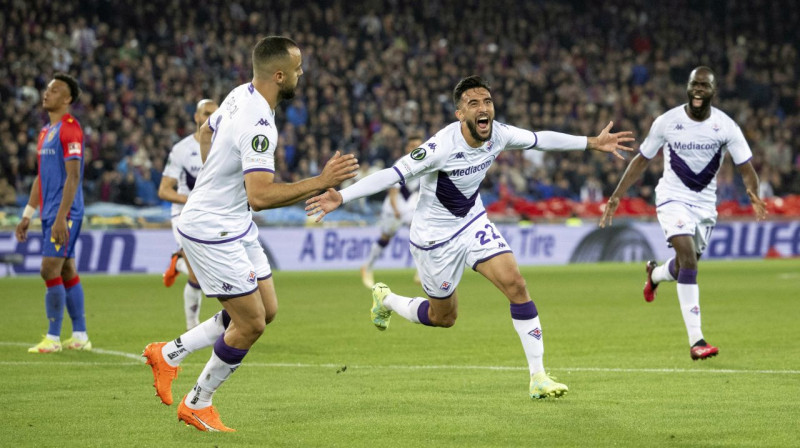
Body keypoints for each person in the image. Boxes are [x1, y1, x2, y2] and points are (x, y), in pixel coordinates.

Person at [306, 75, 633, 399]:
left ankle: (538, 376)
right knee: (444, 318)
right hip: (434, 239)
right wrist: (343, 197)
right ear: (459, 113)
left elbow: (538, 138)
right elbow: (393, 173)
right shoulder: (439, 147)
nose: (483, 108)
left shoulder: (500, 134)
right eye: (473, 103)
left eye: (487, 101)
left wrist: (591, 142)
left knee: (516, 285)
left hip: (472, 222)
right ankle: (387, 299)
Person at [142, 36, 358, 432]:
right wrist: (321, 181)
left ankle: (168, 353)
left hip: (234, 222)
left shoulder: (239, 93)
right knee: (251, 324)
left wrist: (212, 178)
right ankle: (198, 402)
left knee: (266, 311)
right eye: (297, 69)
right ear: (279, 75)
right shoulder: (259, 122)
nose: (302, 74)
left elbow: (206, 133)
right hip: (212, 229)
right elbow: (259, 196)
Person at [599, 66, 767, 361]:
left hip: (704, 206)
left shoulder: (725, 126)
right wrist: (616, 196)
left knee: (683, 268)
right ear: (687, 88)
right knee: (689, 260)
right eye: (694, 84)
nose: (698, 90)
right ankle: (696, 341)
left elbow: (746, 167)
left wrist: (753, 191)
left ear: (714, 90)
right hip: (671, 199)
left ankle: (656, 274)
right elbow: (641, 160)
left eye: (704, 85)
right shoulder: (667, 121)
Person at [15, 73, 91, 353]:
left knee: (48, 269)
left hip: (65, 212)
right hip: (50, 212)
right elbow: (40, 177)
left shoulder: (71, 129)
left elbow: (74, 177)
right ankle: (80, 336)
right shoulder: (46, 131)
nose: (47, 94)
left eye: (55, 90)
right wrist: (27, 214)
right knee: (67, 267)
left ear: (67, 98)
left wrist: (62, 216)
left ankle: (53, 338)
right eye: (47, 89)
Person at [158, 98, 219, 329]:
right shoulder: (182, 150)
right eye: (206, 114)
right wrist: (194, 199)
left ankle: (178, 262)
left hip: (213, 217)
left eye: (215, 114)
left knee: (203, 275)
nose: (210, 119)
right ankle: (192, 326)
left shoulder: (226, 146)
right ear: (196, 117)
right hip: (184, 215)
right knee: (197, 273)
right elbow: (164, 190)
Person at [360, 132, 425, 288]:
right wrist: (396, 209)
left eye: (419, 145)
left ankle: (422, 272)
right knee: (385, 238)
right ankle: (367, 267)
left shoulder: (425, 164)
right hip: (393, 208)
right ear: (407, 148)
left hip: (409, 207)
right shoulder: (402, 164)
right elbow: (394, 190)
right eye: (413, 146)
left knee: (421, 234)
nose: (416, 148)